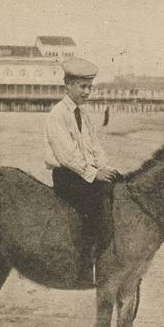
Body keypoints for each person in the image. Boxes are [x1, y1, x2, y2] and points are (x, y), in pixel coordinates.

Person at [44, 58, 118, 283]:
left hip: (84, 172)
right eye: (82, 87)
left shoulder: (83, 114)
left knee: (119, 187)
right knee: (97, 203)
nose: (87, 92)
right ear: (67, 85)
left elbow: (94, 146)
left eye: (89, 87)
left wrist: (105, 167)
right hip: (68, 176)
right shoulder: (57, 114)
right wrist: (94, 174)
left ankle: (109, 254)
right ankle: (86, 263)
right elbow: (67, 156)